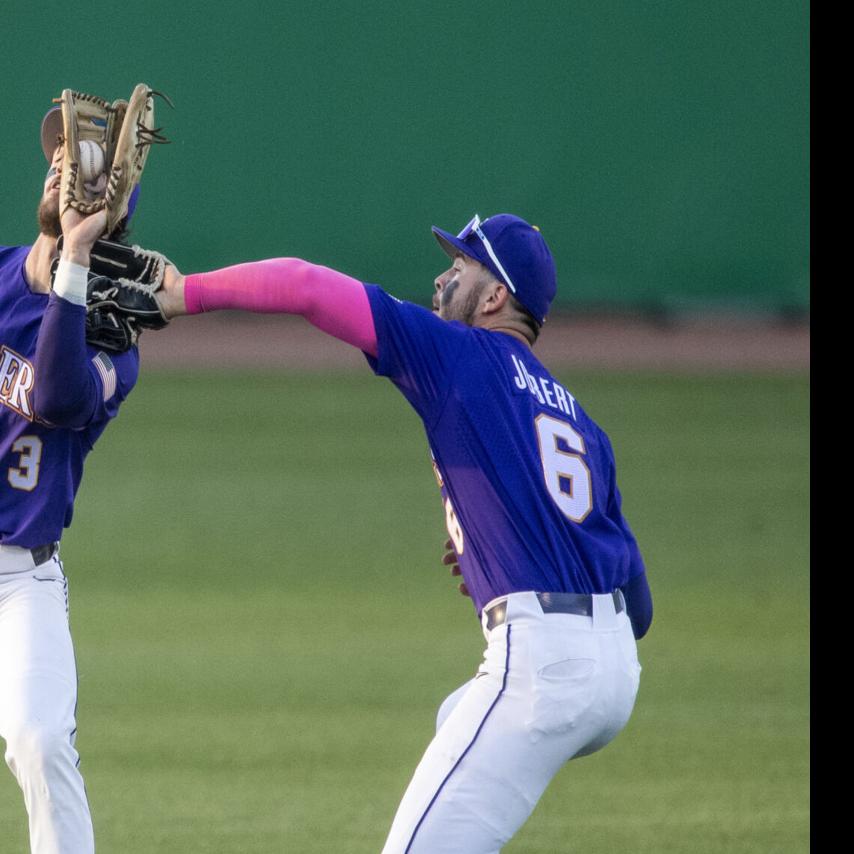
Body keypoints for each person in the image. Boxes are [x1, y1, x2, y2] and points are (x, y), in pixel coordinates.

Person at [154, 211, 653, 852]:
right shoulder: (583, 422)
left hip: (543, 667)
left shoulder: (457, 354)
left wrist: (183, 294)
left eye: (462, 265)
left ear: (496, 296)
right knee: (457, 722)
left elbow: (304, 285)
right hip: (615, 673)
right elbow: (638, 608)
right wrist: (502, 539)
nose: (443, 276)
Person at [0, 108, 141, 854]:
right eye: (58, 155)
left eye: (84, 168)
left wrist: (76, 262)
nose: (61, 168)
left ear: (109, 207)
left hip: (19, 580)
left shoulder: (112, 340)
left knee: (40, 738)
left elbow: (54, 398)